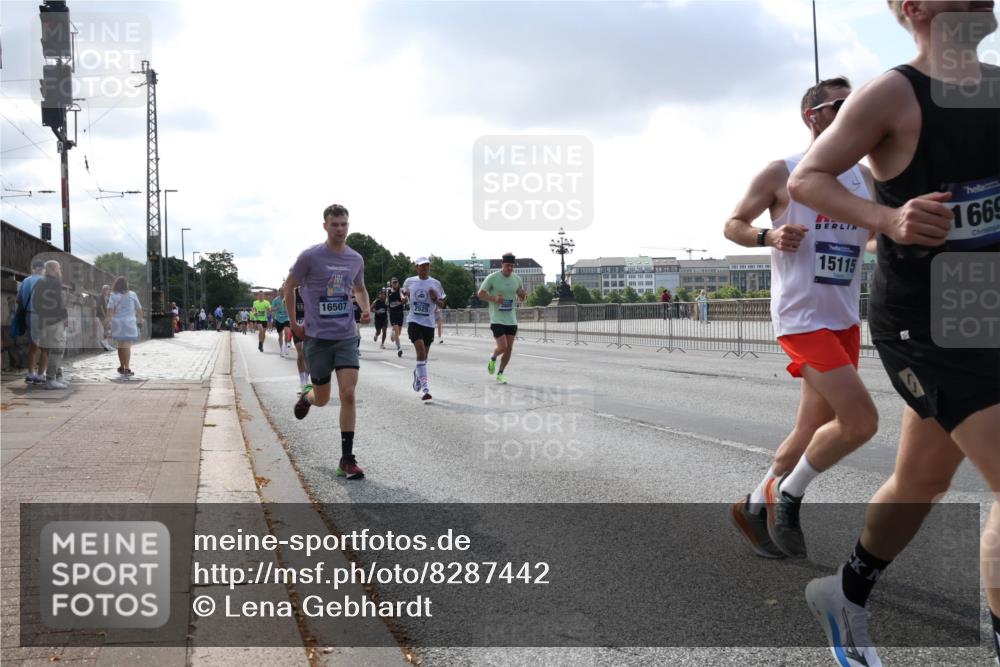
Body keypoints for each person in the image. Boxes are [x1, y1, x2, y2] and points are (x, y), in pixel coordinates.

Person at [787, 3, 1000, 665]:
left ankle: (844, 592)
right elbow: (808, 178)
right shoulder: (893, 93)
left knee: (921, 479)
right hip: (927, 318)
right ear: (913, 8)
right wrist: (888, 218)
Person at [723, 76, 878, 561]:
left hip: (844, 316)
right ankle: (787, 494)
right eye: (841, 104)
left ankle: (752, 506)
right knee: (860, 420)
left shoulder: (864, 177)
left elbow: (876, 234)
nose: (853, 111)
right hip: (802, 317)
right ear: (813, 116)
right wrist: (767, 237)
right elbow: (733, 225)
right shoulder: (783, 171)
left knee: (814, 426)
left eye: (856, 103)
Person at [286, 204, 370, 480]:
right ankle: (308, 397)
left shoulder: (355, 258)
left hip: (346, 336)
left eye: (344, 224)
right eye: (335, 224)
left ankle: (347, 459)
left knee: (348, 393)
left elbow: (359, 288)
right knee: (322, 399)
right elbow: (288, 287)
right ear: (325, 226)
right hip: (318, 339)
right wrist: (294, 323)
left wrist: (365, 308)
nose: (340, 229)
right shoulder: (310, 257)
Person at [478, 253, 527, 385]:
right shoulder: (492, 278)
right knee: (503, 347)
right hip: (497, 319)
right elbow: (480, 294)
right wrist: (494, 298)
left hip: (511, 319)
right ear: (502, 265)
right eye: (507, 265)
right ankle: (493, 357)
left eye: (512, 266)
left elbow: (522, 297)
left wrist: (523, 296)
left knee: (509, 348)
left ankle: (500, 373)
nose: (510, 268)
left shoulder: (517, 279)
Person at [402, 257, 445, 400]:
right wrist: (403, 297)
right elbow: (403, 292)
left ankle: (417, 373)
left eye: (427, 265)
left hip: (429, 324)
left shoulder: (435, 283)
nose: (425, 268)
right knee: (420, 353)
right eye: (422, 266)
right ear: (417, 267)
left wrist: (434, 299)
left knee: (424, 357)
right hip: (414, 321)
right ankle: (425, 388)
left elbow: (442, 305)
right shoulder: (410, 281)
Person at [32, 260, 69, 389]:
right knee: (57, 350)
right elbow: (60, 303)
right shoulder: (55, 283)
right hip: (55, 321)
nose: (60, 270)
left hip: (43, 321)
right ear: (54, 269)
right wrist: (64, 317)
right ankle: (51, 379)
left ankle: (58, 377)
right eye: (59, 268)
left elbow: (35, 303)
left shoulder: (39, 282)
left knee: (49, 350)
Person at [17, 259, 47, 384]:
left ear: (33, 268)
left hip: (28, 315)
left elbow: (18, 300)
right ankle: (40, 376)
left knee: (32, 345)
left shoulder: (25, 281)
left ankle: (30, 374)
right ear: (43, 269)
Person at [108, 275, 144, 377]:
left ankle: (122, 366)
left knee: (120, 345)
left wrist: (109, 321)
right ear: (126, 284)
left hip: (117, 323)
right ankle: (127, 368)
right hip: (129, 323)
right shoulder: (132, 294)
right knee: (127, 345)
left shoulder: (113, 295)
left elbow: (110, 309)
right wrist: (140, 320)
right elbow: (139, 309)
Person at [291, 286, 310, 391]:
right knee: (301, 352)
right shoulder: (294, 292)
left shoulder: (312, 289)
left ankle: (307, 378)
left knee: (308, 354)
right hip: (297, 325)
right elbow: (286, 303)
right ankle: (302, 380)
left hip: (311, 326)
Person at [386, 277, 406, 357]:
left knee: (399, 332)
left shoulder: (400, 291)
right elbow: (386, 301)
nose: (395, 284)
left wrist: (403, 299)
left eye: (396, 282)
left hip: (400, 313)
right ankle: (399, 348)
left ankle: (393, 332)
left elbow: (403, 298)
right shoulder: (388, 291)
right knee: (397, 332)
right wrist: (387, 302)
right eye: (393, 282)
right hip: (393, 314)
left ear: (398, 283)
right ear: (391, 284)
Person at [270, 286, 291, 357]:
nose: (282, 293)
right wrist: (277, 308)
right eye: (281, 291)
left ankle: (286, 347)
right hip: (278, 319)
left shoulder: (288, 298)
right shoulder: (275, 300)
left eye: (284, 291)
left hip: (286, 318)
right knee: (280, 335)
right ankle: (281, 349)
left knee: (287, 332)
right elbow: (271, 309)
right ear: (279, 292)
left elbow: (292, 307)